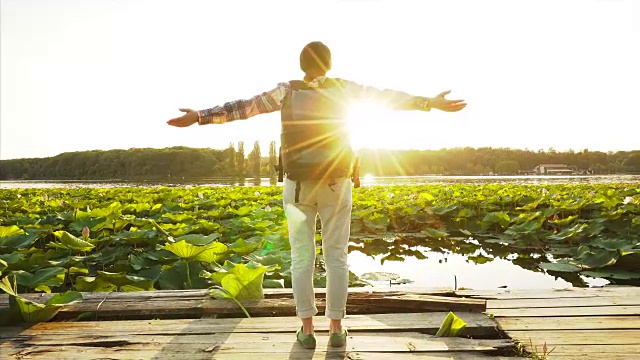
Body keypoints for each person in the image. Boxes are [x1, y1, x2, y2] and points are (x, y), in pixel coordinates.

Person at [167, 41, 466, 349]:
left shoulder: (286, 91)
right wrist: (428, 102)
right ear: (329, 65)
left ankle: (307, 331)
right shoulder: (343, 89)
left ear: (302, 66)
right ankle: (336, 328)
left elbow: (244, 108)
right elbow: (384, 98)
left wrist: (200, 116)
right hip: (336, 183)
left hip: (297, 186)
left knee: (301, 258)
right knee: (336, 257)